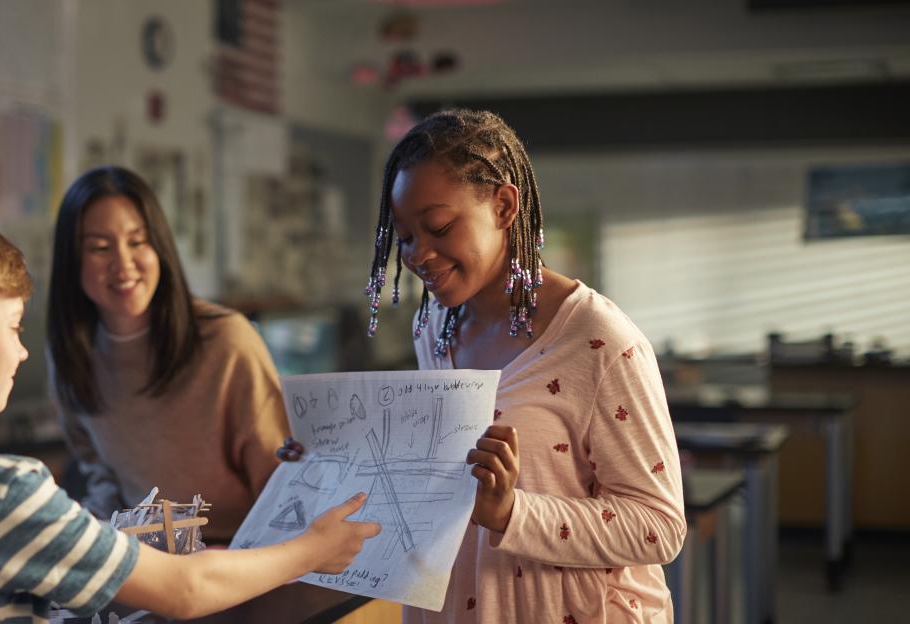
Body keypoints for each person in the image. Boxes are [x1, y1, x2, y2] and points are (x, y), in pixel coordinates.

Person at [0, 200, 380, 622]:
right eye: (13, 328)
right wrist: (313, 549)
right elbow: (185, 590)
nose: (22, 351)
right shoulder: (3, 494)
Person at [282, 109, 686, 623]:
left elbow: (658, 526)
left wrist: (513, 513)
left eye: (438, 227)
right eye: (403, 237)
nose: (417, 255)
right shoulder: (435, 324)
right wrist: (327, 463)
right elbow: (438, 480)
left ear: (503, 205)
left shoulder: (600, 342)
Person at [47, 166, 289, 543]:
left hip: (239, 556)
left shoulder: (226, 339)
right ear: (71, 262)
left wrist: (254, 562)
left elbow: (279, 482)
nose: (122, 263)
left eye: (137, 241)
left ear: (159, 246)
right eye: (99, 247)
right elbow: (96, 468)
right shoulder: (71, 352)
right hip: (145, 562)